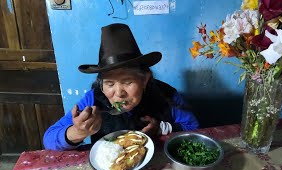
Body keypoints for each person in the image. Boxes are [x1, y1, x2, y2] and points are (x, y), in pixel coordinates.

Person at [43, 23, 199, 151]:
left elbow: (194, 128)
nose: (118, 93)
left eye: (127, 82)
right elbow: (49, 139)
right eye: (110, 84)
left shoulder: (167, 94)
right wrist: (77, 132)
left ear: (145, 79)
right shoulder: (93, 99)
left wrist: (161, 129)